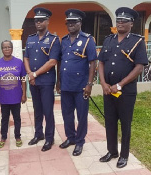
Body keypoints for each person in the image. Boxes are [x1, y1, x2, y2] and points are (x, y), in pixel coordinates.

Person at [98, 7, 148, 168]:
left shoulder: (138, 42)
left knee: (125, 123)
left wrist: (120, 84)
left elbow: (139, 68)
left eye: (124, 21)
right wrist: (104, 83)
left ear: (131, 23)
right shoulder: (109, 40)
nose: (120, 23)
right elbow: (102, 62)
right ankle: (112, 151)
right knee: (110, 122)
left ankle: (124, 155)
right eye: (118, 20)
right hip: (108, 91)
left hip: (126, 92)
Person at [56, 9, 97, 156]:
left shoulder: (88, 40)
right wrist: (58, 81)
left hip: (81, 86)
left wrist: (89, 84)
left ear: (80, 23)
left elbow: (93, 63)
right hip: (66, 84)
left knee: (81, 115)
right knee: (66, 114)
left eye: (74, 22)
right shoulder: (64, 40)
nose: (71, 25)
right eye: (68, 23)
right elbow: (60, 62)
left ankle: (80, 142)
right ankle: (71, 138)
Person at [24, 7, 61, 152]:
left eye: (41, 20)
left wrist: (35, 74)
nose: (38, 23)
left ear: (47, 21)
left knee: (47, 110)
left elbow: (52, 61)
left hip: (46, 81)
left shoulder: (53, 40)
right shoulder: (30, 38)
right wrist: (29, 73)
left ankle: (49, 138)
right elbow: (26, 57)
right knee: (37, 110)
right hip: (33, 81)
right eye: (36, 20)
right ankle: (38, 134)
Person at [0, 40, 27, 148]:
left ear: (12, 49)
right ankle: (3, 137)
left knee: (17, 118)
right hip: (4, 97)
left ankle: (17, 136)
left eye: (9, 47)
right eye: (4, 47)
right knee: (4, 118)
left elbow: (23, 79)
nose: (7, 49)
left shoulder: (19, 62)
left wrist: (24, 94)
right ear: (2, 49)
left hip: (16, 96)